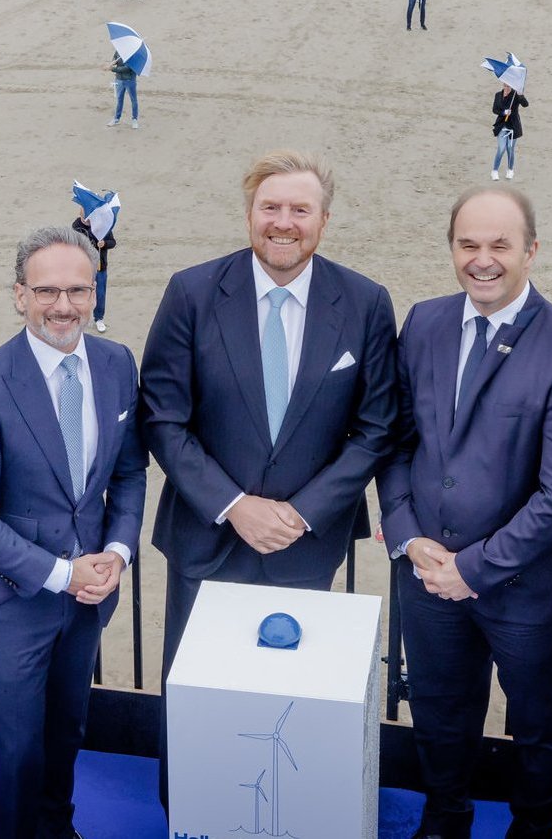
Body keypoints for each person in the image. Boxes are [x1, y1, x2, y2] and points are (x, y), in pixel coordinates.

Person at [139, 149, 398, 792]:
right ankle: (192, 812)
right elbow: (163, 419)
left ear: (324, 220)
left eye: (300, 209)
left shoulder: (365, 302)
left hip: (305, 547)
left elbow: (376, 428)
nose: (284, 222)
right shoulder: (192, 292)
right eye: (271, 207)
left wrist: (302, 512)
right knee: (200, 695)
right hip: (207, 540)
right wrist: (235, 505)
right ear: (249, 213)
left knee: (290, 701)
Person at [377, 187, 552, 839]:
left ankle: (533, 830)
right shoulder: (423, 323)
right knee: (437, 711)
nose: (483, 260)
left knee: (540, 726)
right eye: (469, 244)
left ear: (532, 251)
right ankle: (444, 816)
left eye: (500, 246)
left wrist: (473, 568)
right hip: (427, 577)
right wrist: (404, 533)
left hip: (528, 592)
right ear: (452, 248)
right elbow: (397, 440)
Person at [0, 227, 149, 839]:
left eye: (78, 290)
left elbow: (130, 471)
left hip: (86, 600)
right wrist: (63, 573)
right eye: (47, 290)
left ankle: (59, 829)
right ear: (19, 295)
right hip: (10, 603)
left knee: (67, 731)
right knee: (17, 748)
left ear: (95, 293)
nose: (63, 305)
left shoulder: (116, 364)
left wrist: (116, 551)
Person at [71, 213, 117, 334]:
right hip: (82, 267)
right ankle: (78, 317)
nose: (84, 217)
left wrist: (104, 244)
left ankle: (99, 319)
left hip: (100, 266)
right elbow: (75, 243)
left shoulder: (103, 225)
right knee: (79, 293)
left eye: (86, 215)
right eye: (82, 214)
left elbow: (112, 242)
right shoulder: (76, 225)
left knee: (100, 293)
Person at [491, 84, 527, 180]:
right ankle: (494, 171)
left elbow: (525, 104)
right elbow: (494, 110)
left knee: (510, 149)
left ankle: (510, 170)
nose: (507, 88)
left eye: (509, 86)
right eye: (505, 86)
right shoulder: (498, 95)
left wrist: (521, 95)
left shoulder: (515, 95)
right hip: (502, 125)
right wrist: (504, 112)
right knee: (501, 148)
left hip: (513, 126)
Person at [106, 55, 139, 129]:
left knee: (133, 100)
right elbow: (114, 58)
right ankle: (116, 119)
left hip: (130, 80)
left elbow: (127, 68)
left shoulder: (133, 53)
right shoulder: (119, 49)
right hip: (119, 80)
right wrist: (113, 62)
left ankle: (134, 119)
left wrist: (112, 69)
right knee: (119, 100)